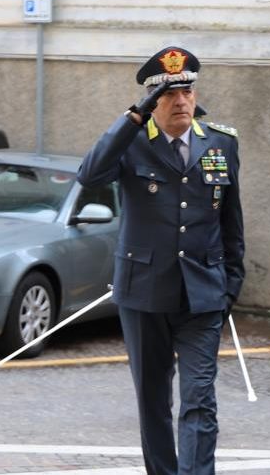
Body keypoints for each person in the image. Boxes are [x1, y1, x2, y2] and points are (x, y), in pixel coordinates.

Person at [78, 46, 245, 475]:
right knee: (153, 401)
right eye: (169, 94)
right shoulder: (132, 142)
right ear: (152, 101)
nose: (181, 101)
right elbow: (90, 175)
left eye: (187, 91)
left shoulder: (221, 142)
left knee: (200, 399)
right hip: (144, 293)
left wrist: (230, 285)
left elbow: (231, 221)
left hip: (202, 295)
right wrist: (133, 117)